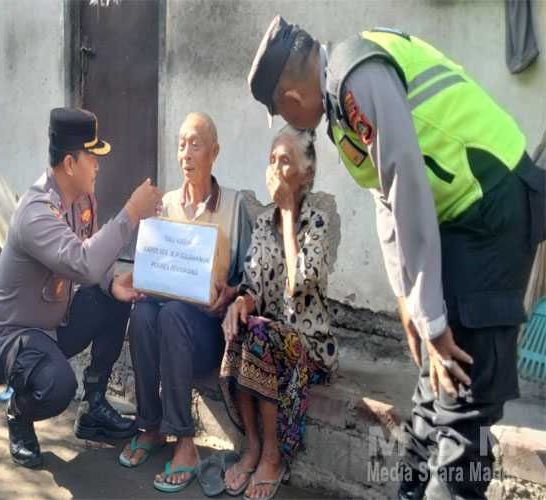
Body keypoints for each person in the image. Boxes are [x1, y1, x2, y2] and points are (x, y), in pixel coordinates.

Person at [248, 16, 546, 499]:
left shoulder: (356, 76)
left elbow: (406, 181)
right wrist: (408, 299)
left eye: (280, 110)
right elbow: (386, 199)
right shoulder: (339, 108)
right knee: (433, 389)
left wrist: (432, 319)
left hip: (493, 204)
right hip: (457, 217)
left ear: (290, 98)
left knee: (461, 405)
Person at [0, 107, 162, 468]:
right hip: (15, 339)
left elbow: (95, 260)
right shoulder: (36, 212)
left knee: (113, 297)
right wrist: (131, 211)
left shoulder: (82, 200)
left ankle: (93, 404)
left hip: (55, 327)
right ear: (69, 163)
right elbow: (83, 262)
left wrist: (112, 281)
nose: (97, 166)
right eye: (91, 157)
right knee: (57, 385)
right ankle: (19, 411)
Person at [119, 112, 254, 493]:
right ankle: (151, 426)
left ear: (214, 152)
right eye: (181, 144)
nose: (186, 153)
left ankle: (185, 442)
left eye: (195, 144)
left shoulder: (234, 205)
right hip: (171, 327)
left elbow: (251, 275)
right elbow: (157, 265)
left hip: (210, 331)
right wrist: (146, 281)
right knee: (144, 313)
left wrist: (231, 294)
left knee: (174, 315)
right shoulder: (167, 205)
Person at [219, 125, 338, 500]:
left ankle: (272, 455)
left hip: (308, 346)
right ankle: (253, 446)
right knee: (242, 328)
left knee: (259, 334)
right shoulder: (261, 222)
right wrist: (240, 304)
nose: (274, 167)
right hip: (267, 337)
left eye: (285, 160)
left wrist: (287, 213)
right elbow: (253, 282)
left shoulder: (320, 219)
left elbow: (298, 282)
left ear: (305, 173)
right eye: (271, 159)